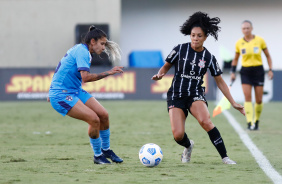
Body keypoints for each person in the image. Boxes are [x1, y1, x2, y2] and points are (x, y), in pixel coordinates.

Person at [152, 11, 245, 164]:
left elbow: (220, 81)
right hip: (176, 94)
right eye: (193, 35)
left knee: (206, 122)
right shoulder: (179, 49)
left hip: (195, 93)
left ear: (205, 37)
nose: (195, 38)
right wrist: (160, 74)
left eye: (199, 36)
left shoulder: (208, 57)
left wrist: (233, 102)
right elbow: (165, 67)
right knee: (178, 135)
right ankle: (188, 146)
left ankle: (225, 157)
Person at [48, 25, 124, 164]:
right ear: (93, 42)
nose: (103, 47)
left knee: (103, 115)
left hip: (74, 90)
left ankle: (106, 150)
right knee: (94, 119)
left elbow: (63, 68)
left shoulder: (83, 51)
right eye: (102, 44)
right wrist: (109, 72)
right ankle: (97, 155)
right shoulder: (82, 52)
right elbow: (86, 78)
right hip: (61, 94)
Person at [230, 20, 273, 130]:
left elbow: (268, 56)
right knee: (247, 97)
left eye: (248, 28)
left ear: (252, 28)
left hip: (258, 71)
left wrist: (270, 69)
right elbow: (235, 59)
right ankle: (249, 123)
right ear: (242, 30)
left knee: (259, 99)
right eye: (244, 28)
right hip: (245, 71)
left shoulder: (260, 40)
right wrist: (233, 72)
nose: (246, 30)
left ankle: (256, 121)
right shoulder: (239, 43)